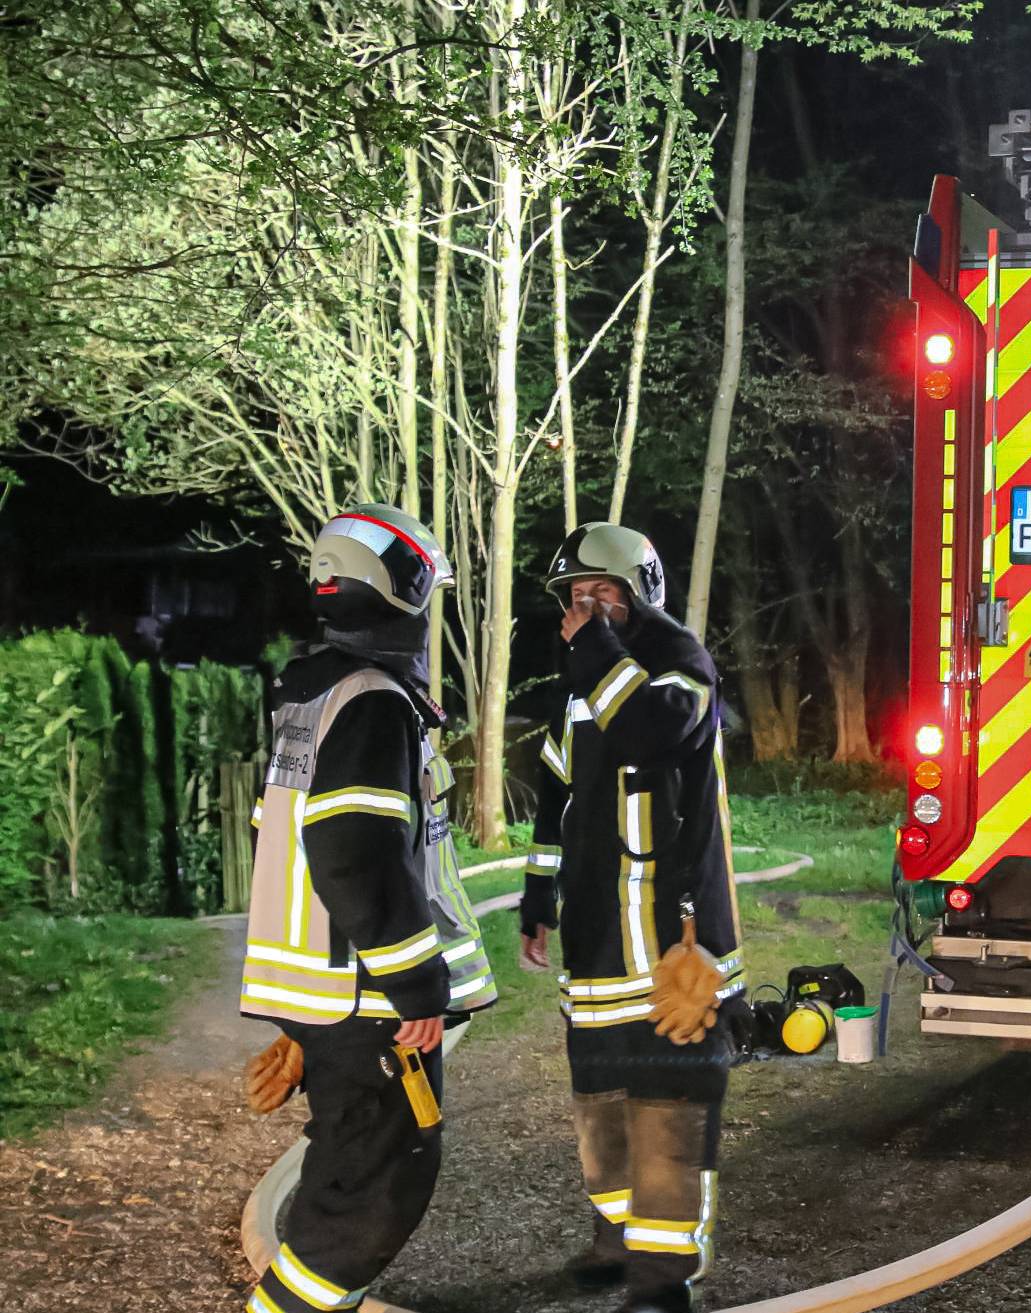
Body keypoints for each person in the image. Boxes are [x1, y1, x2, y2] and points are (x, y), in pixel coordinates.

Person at [239, 504, 498, 1313]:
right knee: (372, 1190)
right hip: (366, 998)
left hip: (327, 994)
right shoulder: (374, 703)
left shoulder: (310, 696)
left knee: (349, 1169)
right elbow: (355, 854)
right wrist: (415, 987)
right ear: (406, 588)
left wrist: (301, 1015)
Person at [521, 522, 745, 1313]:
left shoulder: (682, 666)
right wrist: (535, 898)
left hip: (668, 943)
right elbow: (554, 797)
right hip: (594, 942)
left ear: (640, 595)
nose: (584, 610)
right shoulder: (581, 683)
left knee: (667, 1107)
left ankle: (662, 1279)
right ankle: (614, 1235)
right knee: (600, 1099)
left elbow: (651, 729)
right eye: (574, 598)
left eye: (601, 594)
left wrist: (595, 652)